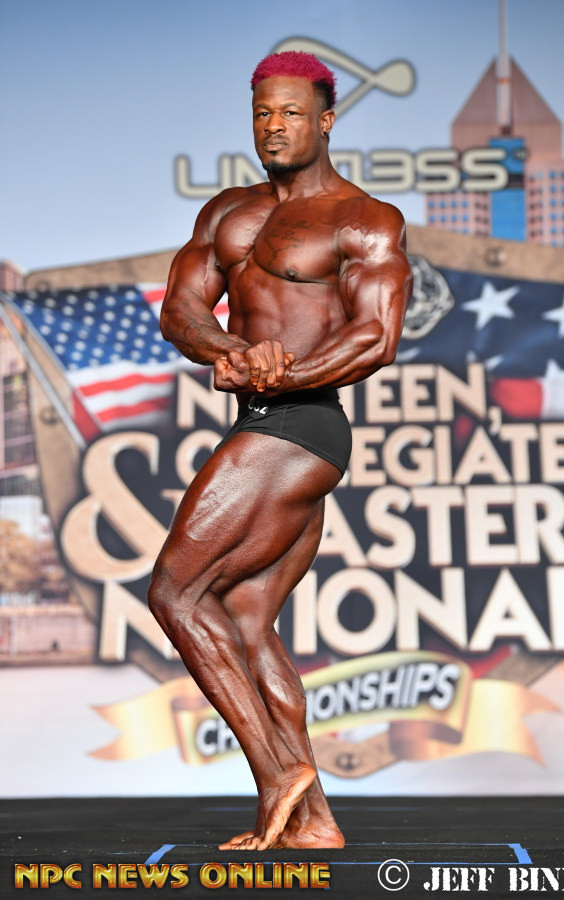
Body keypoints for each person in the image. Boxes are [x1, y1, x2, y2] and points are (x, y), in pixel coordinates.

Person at [148, 50, 413, 851]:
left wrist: (281, 370)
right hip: (263, 419)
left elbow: (376, 336)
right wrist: (229, 349)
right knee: (246, 617)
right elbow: (181, 309)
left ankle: (274, 774)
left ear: (325, 121)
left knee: (175, 593)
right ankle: (314, 820)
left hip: (300, 425)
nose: (275, 126)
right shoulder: (228, 214)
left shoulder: (363, 218)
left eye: (292, 113)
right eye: (263, 112)